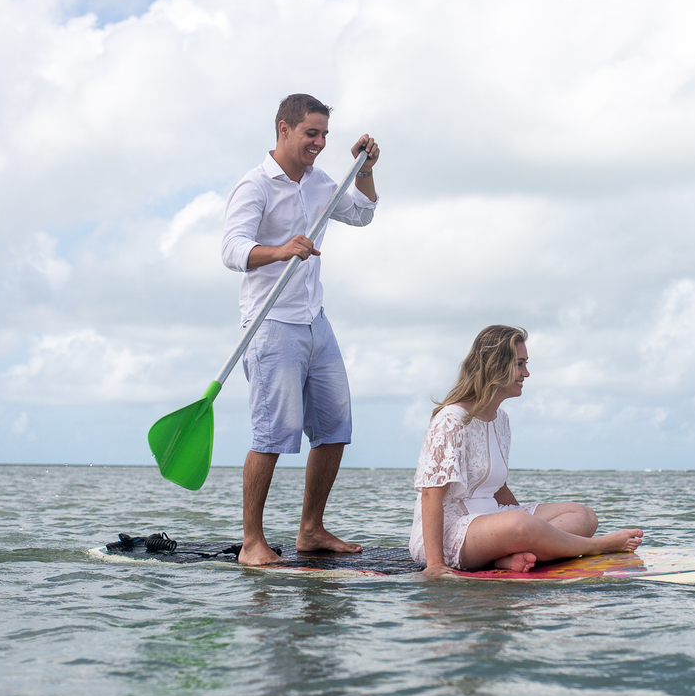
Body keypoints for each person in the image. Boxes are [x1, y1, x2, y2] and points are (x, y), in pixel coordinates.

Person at [221, 93, 380, 565]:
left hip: (315, 322)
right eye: (312, 132)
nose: (320, 142)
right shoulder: (255, 186)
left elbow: (363, 212)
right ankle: (253, 541)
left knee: (334, 428)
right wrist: (281, 250)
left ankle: (310, 530)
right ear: (283, 129)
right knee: (272, 435)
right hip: (271, 324)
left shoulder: (321, 183)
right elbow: (232, 251)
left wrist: (366, 168)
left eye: (326, 134)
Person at [409, 325, 644, 577]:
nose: (527, 373)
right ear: (495, 367)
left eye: (525, 364)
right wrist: (435, 565)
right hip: (449, 533)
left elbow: (498, 488)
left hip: (494, 523)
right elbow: (431, 495)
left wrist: (528, 535)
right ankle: (597, 546)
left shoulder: (501, 420)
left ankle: (506, 555)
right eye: (519, 364)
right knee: (522, 525)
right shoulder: (451, 420)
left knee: (583, 515)